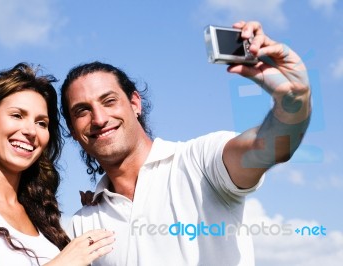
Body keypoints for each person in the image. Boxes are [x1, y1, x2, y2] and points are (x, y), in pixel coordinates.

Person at [60, 21, 311, 265]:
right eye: (82, 111)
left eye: (109, 101)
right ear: (72, 130)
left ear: (135, 103)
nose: (99, 119)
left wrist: (294, 101)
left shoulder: (200, 161)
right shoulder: (83, 225)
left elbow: (269, 147)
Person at [0, 63, 115, 266]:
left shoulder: (43, 218)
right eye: (17, 115)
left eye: (41, 123)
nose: (31, 131)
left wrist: (96, 211)